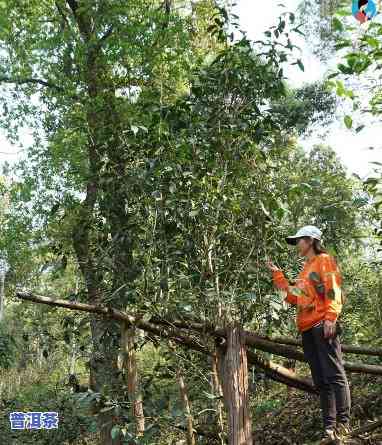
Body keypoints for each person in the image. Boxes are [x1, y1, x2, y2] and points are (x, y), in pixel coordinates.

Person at [266, 225, 351, 444]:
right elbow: (294, 296)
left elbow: (333, 288)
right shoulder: (305, 269)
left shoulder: (324, 261)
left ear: (311, 240)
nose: (297, 245)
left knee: (334, 374)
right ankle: (329, 430)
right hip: (306, 328)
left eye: (299, 241)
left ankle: (344, 425)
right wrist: (278, 275)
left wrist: (331, 317)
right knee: (321, 380)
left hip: (323, 323)